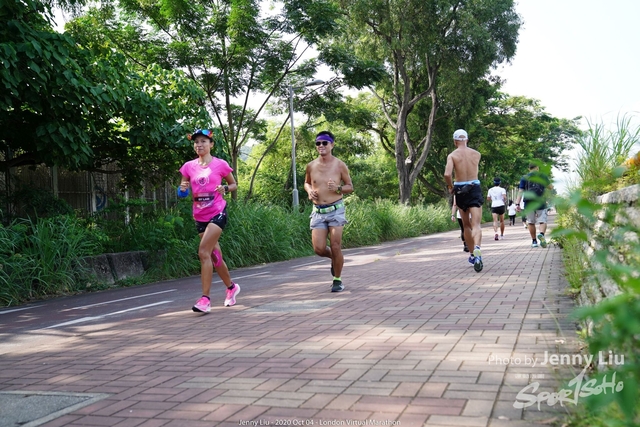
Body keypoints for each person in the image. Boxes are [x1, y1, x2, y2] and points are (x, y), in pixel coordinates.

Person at [178, 129, 240, 313]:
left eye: (203, 141)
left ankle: (205, 299)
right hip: (199, 216)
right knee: (214, 256)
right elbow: (182, 192)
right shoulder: (188, 167)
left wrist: (225, 189)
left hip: (217, 212)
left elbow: (234, 184)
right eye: (196, 142)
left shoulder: (220, 164)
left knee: (203, 252)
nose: (199, 145)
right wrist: (182, 190)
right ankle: (231, 288)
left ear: (211, 144)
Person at [303, 131, 353, 292]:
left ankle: (337, 280)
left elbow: (350, 186)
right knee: (319, 249)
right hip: (318, 211)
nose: (321, 146)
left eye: (325, 142)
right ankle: (335, 259)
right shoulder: (311, 166)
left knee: (336, 246)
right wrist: (309, 191)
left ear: (332, 145)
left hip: (336, 210)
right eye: (318, 143)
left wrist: (338, 188)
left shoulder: (340, 165)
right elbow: (306, 183)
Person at [444, 129, 484, 272]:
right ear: (466, 139)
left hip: (460, 189)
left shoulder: (452, 156)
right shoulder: (477, 154)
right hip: (474, 187)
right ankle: (478, 248)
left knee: (466, 225)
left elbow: (447, 174)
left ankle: (472, 254)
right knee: (476, 224)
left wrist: (450, 187)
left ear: (455, 141)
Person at [516, 163, 552, 248]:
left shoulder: (524, 177)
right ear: (537, 168)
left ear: (529, 169)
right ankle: (541, 234)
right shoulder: (543, 176)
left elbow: (520, 191)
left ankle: (534, 241)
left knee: (531, 222)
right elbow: (550, 187)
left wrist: (517, 203)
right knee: (542, 221)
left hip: (528, 202)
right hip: (540, 201)